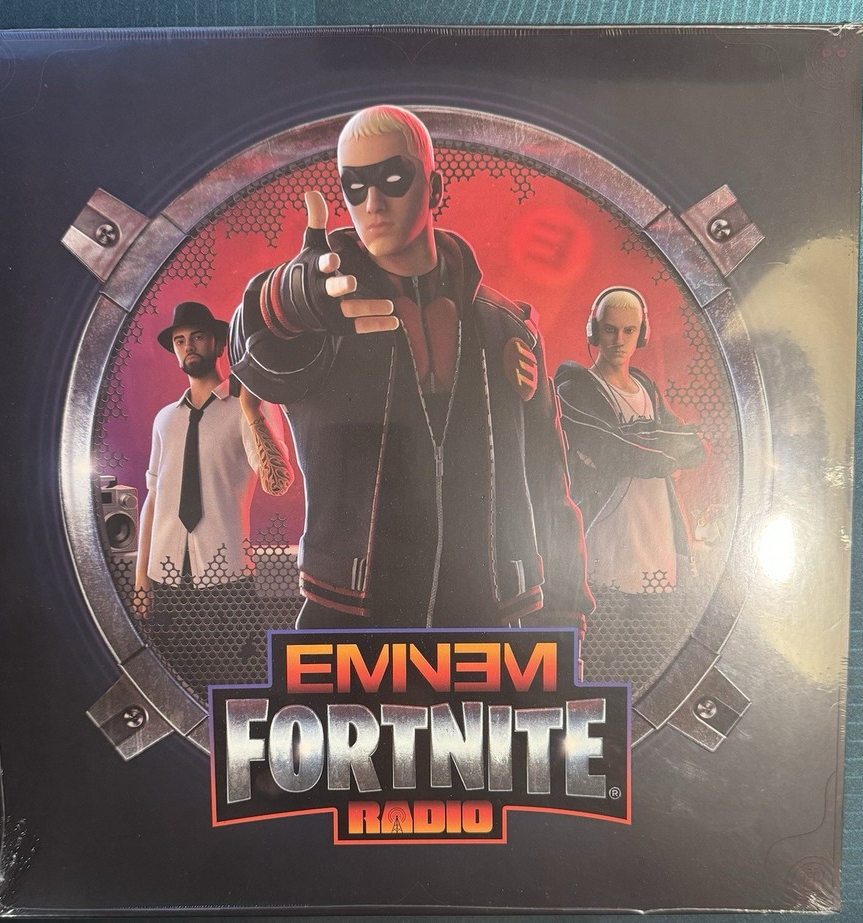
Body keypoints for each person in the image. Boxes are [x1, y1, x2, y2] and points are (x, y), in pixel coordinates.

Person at [229, 105, 592, 630]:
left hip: (489, 609)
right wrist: (289, 299)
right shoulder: (323, 314)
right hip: (350, 613)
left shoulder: (506, 326)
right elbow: (253, 354)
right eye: (355, 187)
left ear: (434, 187)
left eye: (393, 179)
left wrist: (563, 608)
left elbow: (547, 481)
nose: (373, 204)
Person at [134, 301, 292, 617]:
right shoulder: (165, 420)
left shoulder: (249, 405)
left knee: (235, 651)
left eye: (197, 337)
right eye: (180, 340)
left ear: (218, 345)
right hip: (165, 578)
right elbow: (153, 499)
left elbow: (278, 483)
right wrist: (141, 579)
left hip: (226, 579)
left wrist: (251, 411)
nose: (188, 346)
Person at [555, 287, 706, 594]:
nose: (620, 340)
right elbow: (609, 448)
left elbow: (695, 447)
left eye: (629, 330)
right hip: (604, 548)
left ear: (642, 333)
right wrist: (663, 451)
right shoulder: (574, 390)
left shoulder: (646, 388)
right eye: (610, 330)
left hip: (659, 545)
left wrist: (634, 442)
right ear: (595, 331)